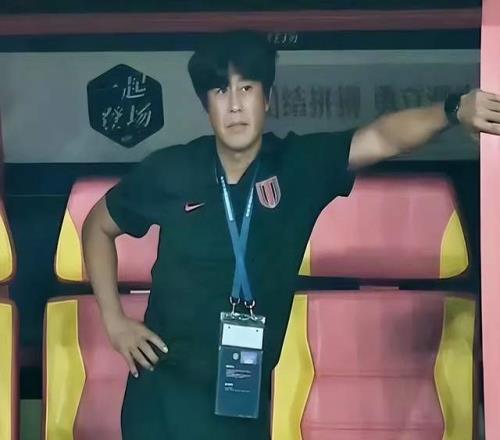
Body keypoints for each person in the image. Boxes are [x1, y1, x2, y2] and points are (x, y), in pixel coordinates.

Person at [82, 31, 500, 439]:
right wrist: (114, 321)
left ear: (267, 99)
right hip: (159, 399)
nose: (235, 105)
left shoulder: (298, 165)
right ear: (206, 105)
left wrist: (452, 110)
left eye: (246, 88)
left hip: (240, 401)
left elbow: (381, 137)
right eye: (221, 91)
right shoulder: (171, 169)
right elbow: (97, 226)